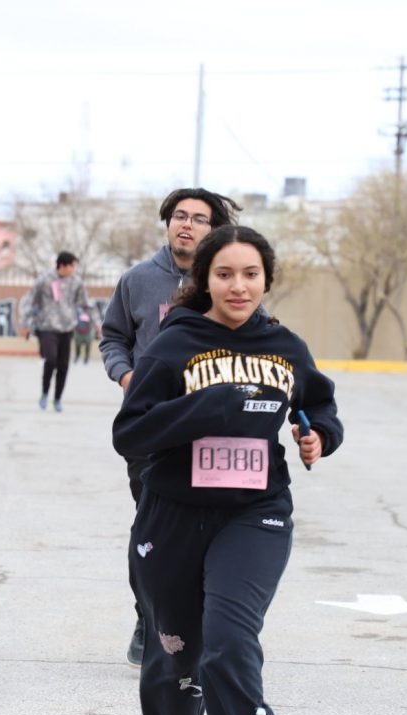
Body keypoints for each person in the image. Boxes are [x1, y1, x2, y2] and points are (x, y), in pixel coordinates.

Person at [112, 225, 342, 715]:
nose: (238, 286)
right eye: (225, 274)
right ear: (205, 280)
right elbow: (130, 432)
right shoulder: (175, 344)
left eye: (250, 274)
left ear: (266, 280)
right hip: (173, 515)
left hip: (255, 512)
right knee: (175, 655)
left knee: (231, 640)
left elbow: (319, 404)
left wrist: (318, 435)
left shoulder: (284, 347)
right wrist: (207, 407)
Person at [100, 188, 241, 667]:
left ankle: (198, 625)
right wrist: (126, 377)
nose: (187, 225)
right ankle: (149, 618)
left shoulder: (226, 283)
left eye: (199, 219)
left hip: (209, 429)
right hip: (150, 428)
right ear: (167, 223)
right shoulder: (137, 280)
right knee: (153, 530)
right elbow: (114, 338)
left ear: (214, 230)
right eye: (180, 216)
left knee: (206, 532)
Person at [23, 251, 87, 412]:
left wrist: (98, 323)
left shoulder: (77, 282)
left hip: (67, 328)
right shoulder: (44, 279)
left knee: (63, 365)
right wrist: (26, 322)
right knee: (50, 359)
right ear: (63, 266)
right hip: (47, 327)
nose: (74, 269)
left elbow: (85, 304)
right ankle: (45, 393)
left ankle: (57, 399)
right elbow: (30, 300)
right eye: (72, 266)